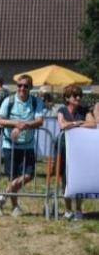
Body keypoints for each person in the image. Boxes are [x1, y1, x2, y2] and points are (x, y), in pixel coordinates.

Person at [0, 74, 44, 217]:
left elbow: (40, 121)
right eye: (19, 85)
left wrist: (25, 125)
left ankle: (1, 195)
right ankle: (15, 207)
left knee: (29, 175)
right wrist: (15, 123)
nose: (22, 88)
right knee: (13, 177)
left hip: (28, 145)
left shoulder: (36, 101)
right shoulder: (8, 101)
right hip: (10, 145)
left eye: (25, 86)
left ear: (30, 88)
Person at [56, 84, 97, 220]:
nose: (78, 97)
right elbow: (62, 125)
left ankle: (79, 209)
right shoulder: (61, 109)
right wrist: (77, 123)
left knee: (79, 178)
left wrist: (74, 124)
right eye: (75, 95)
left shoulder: (84, 110)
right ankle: (68, 209)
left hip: (80, 150)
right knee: (65, 178)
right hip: (64, 148)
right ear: (67, 98)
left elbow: (93, 124)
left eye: (80, 95)